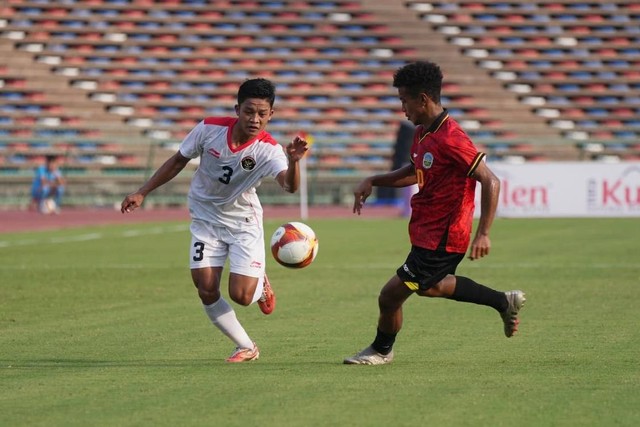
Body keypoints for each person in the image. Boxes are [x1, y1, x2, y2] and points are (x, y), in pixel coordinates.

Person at [343, 61, 525, 365]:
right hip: (428, 232)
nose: (402, 108)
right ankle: (503, 301)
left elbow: (490, 180)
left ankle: (380, 350)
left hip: (443, 237)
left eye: (404, 100)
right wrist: (374, 180)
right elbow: (416, 172)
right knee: (432, 286)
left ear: (423, 99)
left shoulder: (452, 138)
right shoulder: (423, 132)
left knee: (389, 297)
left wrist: (484, 233)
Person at [120, 78, 309, 363]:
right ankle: (246, 346)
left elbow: (289, 186)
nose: (254, 119)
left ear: (271, 114)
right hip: (205, 219)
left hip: (243, 222)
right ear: (237, 109)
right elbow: (177, 161)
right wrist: (142, 191)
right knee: (206, 288)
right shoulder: (209, 128)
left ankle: (259, 286)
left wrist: (294, 162)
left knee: (242, 296)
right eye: (249, 111)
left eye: (262, 114)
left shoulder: (269, 150)